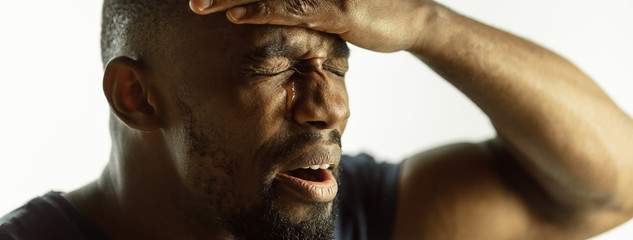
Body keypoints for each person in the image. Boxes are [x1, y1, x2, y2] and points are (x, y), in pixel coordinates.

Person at [1, 0, 632, 239]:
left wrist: (425, 24)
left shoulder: (357, 217)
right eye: (275, 70)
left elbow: (609, 188)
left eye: (338, 65)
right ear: (136, 96)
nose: (332, 107)